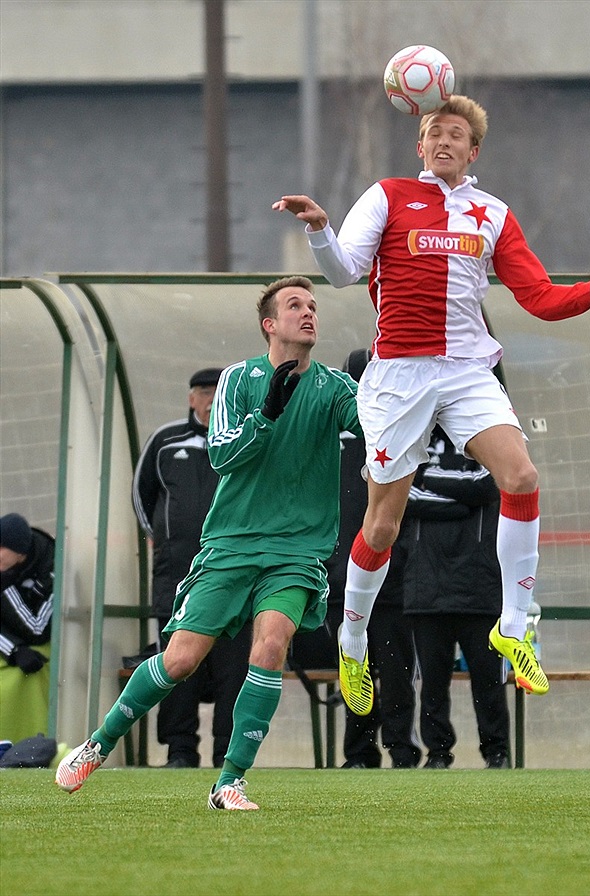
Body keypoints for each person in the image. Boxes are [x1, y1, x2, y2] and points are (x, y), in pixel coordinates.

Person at [273, 93, 590, 714]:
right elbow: (343, 273)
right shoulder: (389, 195)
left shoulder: (492, 213)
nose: (443, 141)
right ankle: (351, 637)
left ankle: (513, 620)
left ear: (473, 151)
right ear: (419, 146)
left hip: (468, 370)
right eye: (433, 133)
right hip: (399, 375)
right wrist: (320, 228)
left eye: (455, 134)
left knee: (522, 475)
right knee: (383, 524)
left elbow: (539, 298)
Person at [56, 275, 363, 810]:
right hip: (232, 545)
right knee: (180, 660)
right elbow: (222, 455)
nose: (309, 312)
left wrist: (387, 384)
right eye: (295, 305)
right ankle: (97, 744)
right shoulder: (238, 381)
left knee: (270, 646)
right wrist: (267, 413)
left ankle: (229, 782)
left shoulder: (335, 387)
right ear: (270, 324)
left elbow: (379, 430)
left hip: (296, 552)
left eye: (313, 305)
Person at [290, 348, 420, 769]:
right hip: (341, 575)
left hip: (390, 574)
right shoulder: (327, 433)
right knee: (356, 664)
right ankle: (363, 752)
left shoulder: (399, 430)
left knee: (393, 670)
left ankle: (399, 750)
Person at [132, 367, 251, 769]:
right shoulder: (166, 441)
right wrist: (159, 537)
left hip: (234, 574)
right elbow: (141, 493)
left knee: (233, 669)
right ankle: (180, 750)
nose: (212, 399)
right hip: (176, 575)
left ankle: (227, 754)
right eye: (204, 392)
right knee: (177, 664)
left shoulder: (243, 439)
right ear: (191, 399)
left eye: (219, 392)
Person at [403, 427, 510, 770]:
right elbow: (407, 496)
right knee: (433, 683)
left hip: (479, 586)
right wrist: (460, 504)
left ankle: (496, 753)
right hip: (426, 587)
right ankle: (437, 753)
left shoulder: (484, 441)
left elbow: (486, 485)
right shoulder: (414, 443)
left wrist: (427, 478)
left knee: (488, 680)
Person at [0, 513, 55, 743]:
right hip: (10, 647)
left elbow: (37, 629)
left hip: (43, 648)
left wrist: (6, 588)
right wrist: (13, 649)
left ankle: (35, 746)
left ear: (20, 554)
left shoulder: (52, 568)